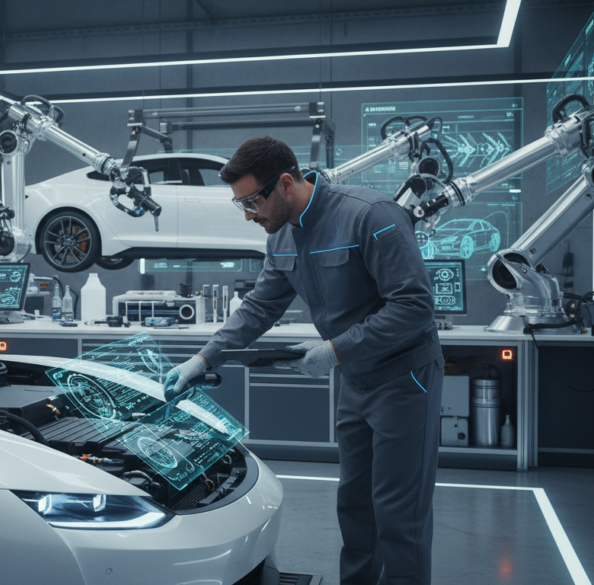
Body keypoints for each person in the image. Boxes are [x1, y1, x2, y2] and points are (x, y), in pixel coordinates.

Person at [164, 136, 444, 585]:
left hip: (404, 377)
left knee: (399, 515)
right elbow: (259, 308)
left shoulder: (371, 216)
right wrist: (202, 358)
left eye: (252, 201)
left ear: (287, 183)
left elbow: (414, 307)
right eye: (241, 205)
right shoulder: (282, 238)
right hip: (355, 382)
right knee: (355, 509)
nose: (250, 214)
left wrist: (334, 351)